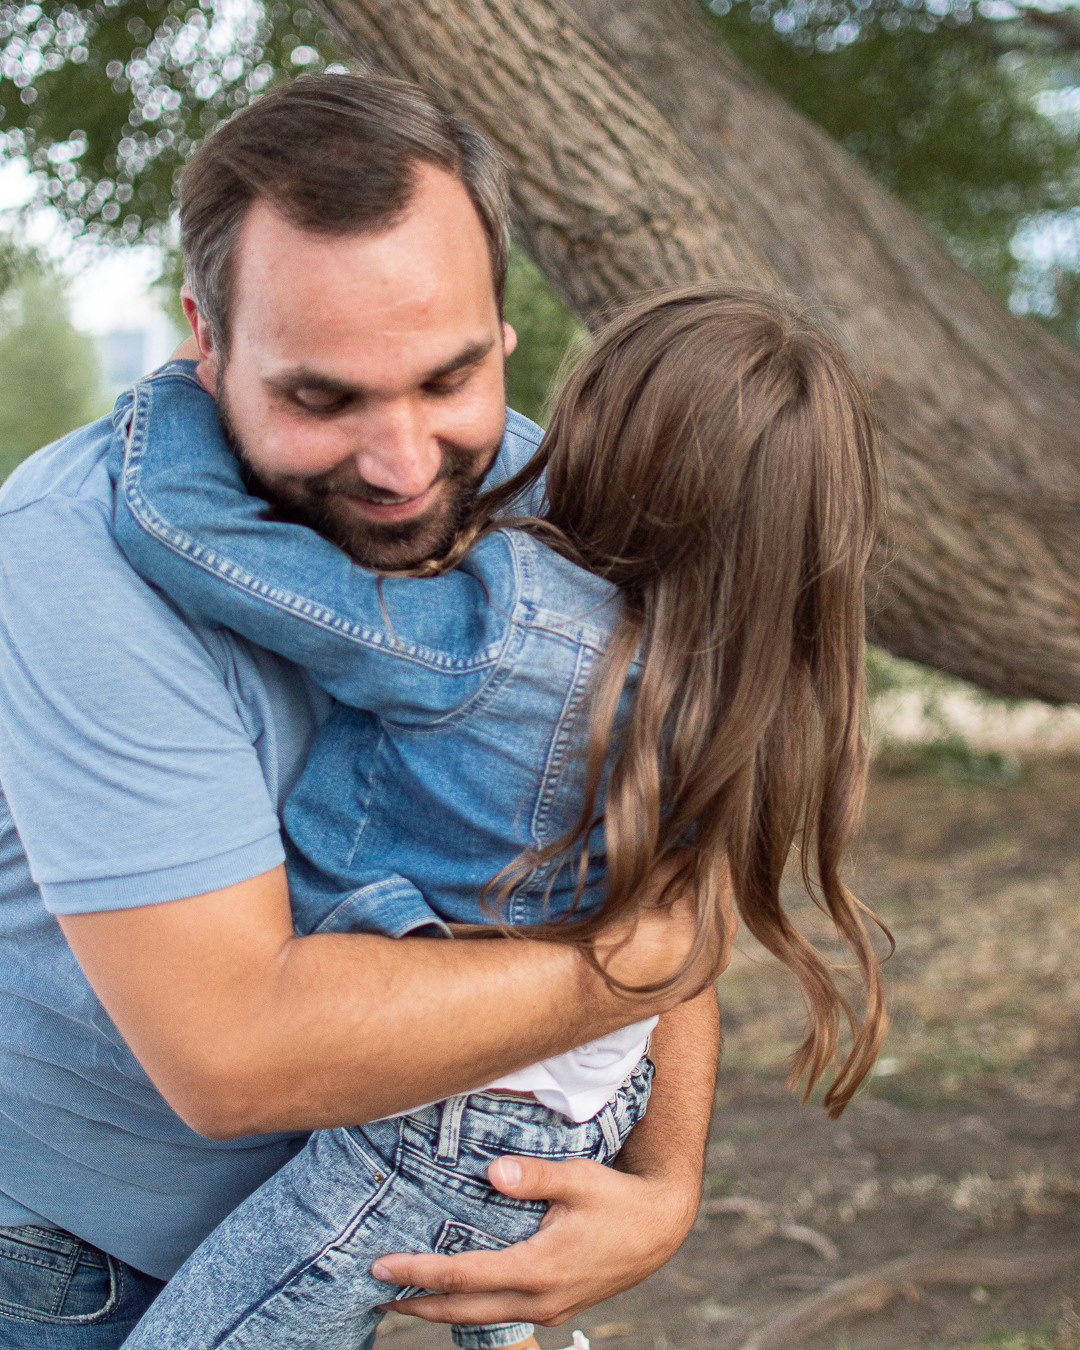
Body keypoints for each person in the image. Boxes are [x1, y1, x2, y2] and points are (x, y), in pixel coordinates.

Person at [0, 74, 727, 1349]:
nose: (403, 464)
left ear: (499, 326)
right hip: (86, 1259)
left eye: (448, 379)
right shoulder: (68, 560)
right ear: (207, 338)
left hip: (379, 1192)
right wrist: (643, 960)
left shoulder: (520, 480)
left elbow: (647, 831)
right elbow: (235, 1055)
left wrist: (664, 1187)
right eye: (322, 399)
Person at [105, 272, 887, 1350]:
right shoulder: (742, 681)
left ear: (594, 438)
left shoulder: (506, 633)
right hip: (588, 1108)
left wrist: (184, 385)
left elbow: (196, 540)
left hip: (436, 1139)